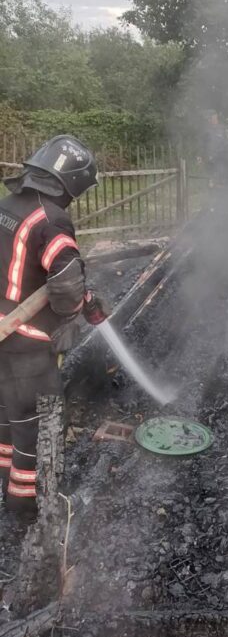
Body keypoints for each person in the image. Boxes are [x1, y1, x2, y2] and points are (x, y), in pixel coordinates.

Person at [0, 135, 107, 516]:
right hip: (26, 345)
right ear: (72, 183)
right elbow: (63, 285)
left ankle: (6, 488)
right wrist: (68, 319)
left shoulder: (5, 206)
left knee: (7, 417)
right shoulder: (52, 218)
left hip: (2, 336)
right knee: (39, 425)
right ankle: (29, 509)